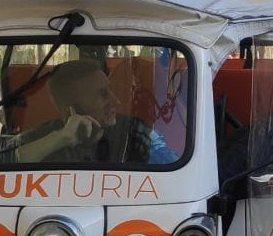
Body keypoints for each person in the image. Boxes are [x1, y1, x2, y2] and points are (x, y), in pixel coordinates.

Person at [15, 58, 178, 164]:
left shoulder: (134, 132)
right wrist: (60, 138)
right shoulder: (41, 138)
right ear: (70, 109)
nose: (116, 101)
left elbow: (175, 169)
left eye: (110, 90)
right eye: (102, 94)